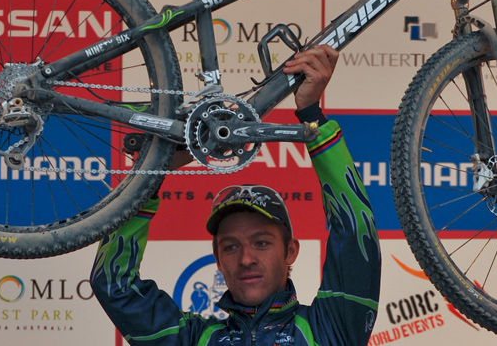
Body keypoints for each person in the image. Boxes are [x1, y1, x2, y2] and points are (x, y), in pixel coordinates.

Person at [91, 45, 381, 346]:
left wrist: (311, 114)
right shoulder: (194, 340)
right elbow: (114, 287)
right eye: (230, 247)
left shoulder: (330, 328)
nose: (246, 259)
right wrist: (151, 174)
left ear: (290, 251)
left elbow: (356, 229)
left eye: (261, 243)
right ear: (218, 259)